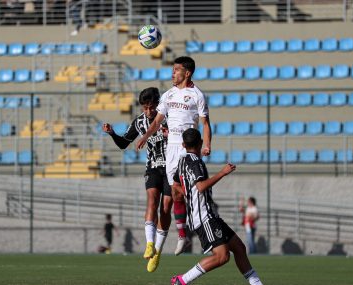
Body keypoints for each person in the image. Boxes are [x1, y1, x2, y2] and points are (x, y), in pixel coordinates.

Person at [137, 56, 212, 257]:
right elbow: (156, 122)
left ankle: (195, 228)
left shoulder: (197, 95)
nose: (172, 74)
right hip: (171, 149)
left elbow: (205, 124)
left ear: (186, 73)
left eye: (176, 70)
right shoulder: (168, 95)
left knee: (189, 192)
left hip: (188, 149)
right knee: (176, 192)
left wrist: (206, 145)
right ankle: (182, 235)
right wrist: (145, 136)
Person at [170, 128, 263, 285]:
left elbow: (175, 184)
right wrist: (222, 173)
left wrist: (188, 194)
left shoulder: (182, 160)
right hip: (204, 217)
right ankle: (182, 280)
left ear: (183, 144)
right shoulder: (195, 162)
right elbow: (200, 187)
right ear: (200, 143)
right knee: (222, 256)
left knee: (239, 248)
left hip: (209, 216)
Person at [102, 87, 172, 272]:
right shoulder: (139, 122)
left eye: (151, 107)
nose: (148, 111)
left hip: (171, 167)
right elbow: (124, 143)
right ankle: (150, 244)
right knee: (152, 201)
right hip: (153, 167)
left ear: (158, 104)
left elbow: (183, 137)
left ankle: (158, 250)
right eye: (145, 108)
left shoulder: (168, 117)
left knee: (165, 209)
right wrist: (112, 133)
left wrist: (170, 134)